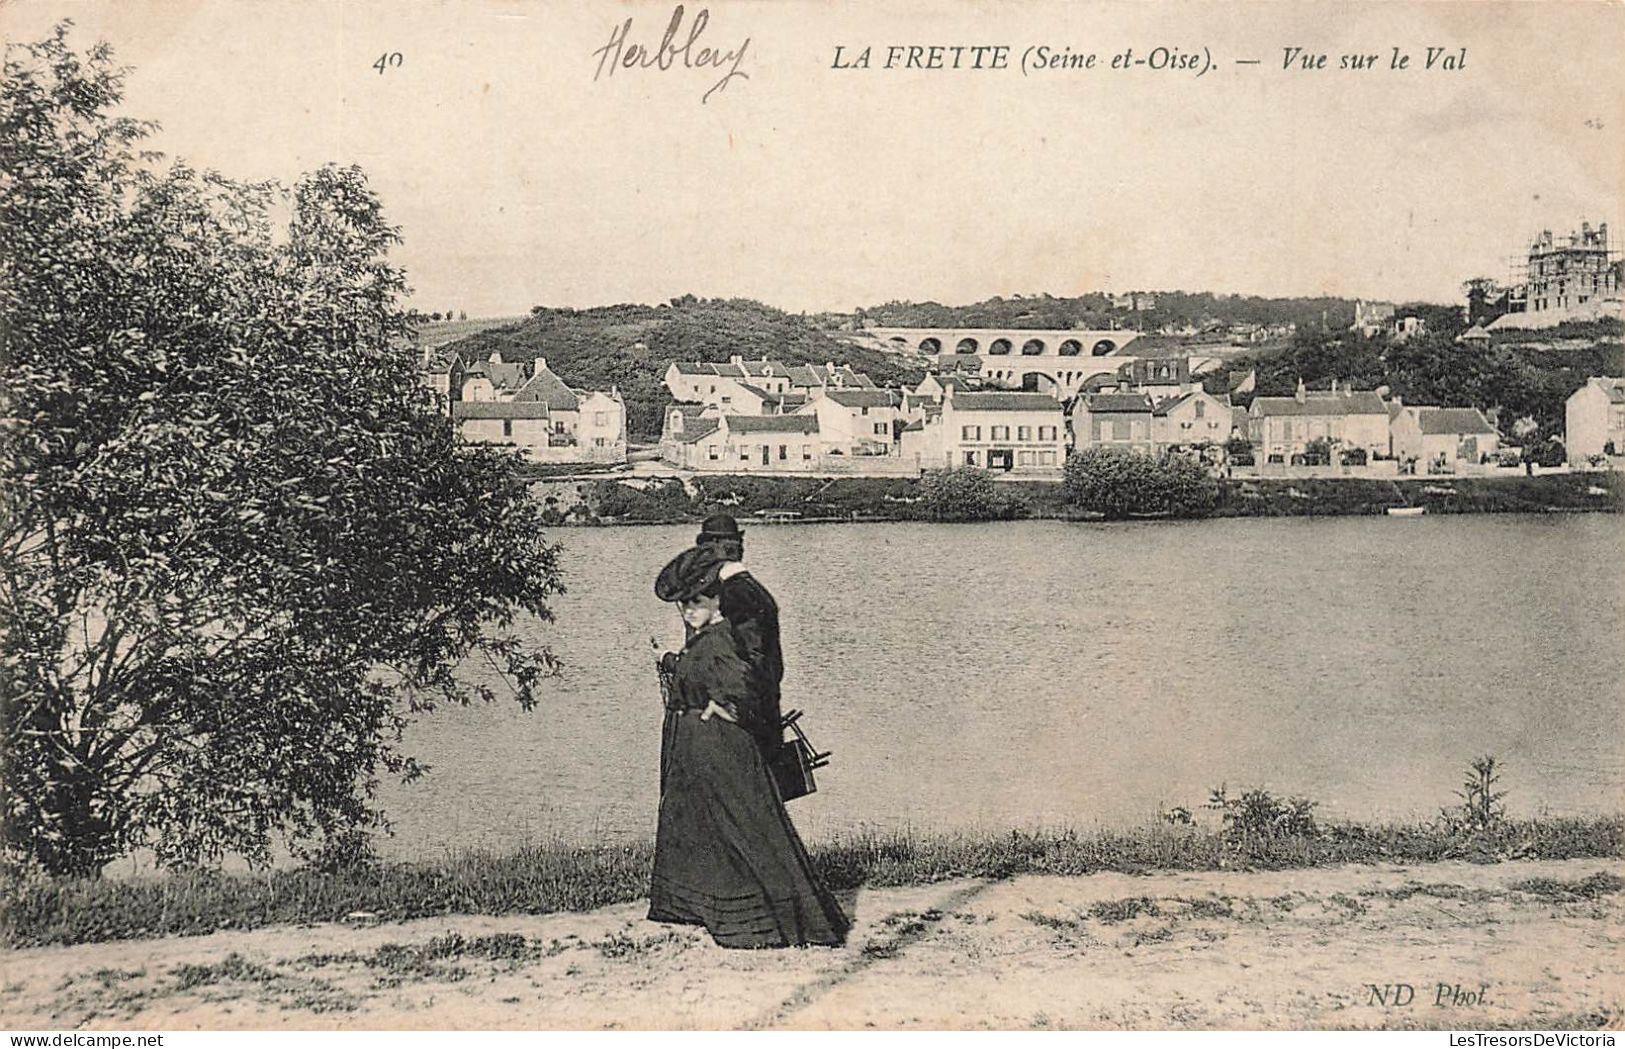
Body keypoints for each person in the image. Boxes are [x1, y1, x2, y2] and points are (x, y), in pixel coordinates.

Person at [648, 546, 849, 949]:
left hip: (721, 752)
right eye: (684, 604)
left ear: (716, 601)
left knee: (748, 829)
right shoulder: (707, 638)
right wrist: (672, 663)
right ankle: (704, 906)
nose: (687, 611)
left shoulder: (721, 639)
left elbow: (743, 686)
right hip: (701, 751)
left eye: (696, 602)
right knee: (705, 826)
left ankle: (784, 919)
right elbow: (699, 672)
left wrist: (722, 710)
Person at [694, 513, 783, 756]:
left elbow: (750, 660)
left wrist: (731, 707)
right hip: (763, 713)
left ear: (714, 552)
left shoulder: (735, 593)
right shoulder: (751, 587)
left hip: (746, 722)